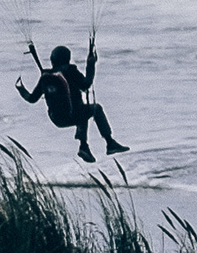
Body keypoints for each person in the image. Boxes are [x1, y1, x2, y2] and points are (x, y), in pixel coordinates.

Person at [17, 34, 126, 162]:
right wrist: (91, 64)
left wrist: (21, 89)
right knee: (95, 108)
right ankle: (109, 143)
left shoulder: (46, 77)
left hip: (56, 118)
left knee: (82, 110)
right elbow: (86, 85)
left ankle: (84, 147)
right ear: (68, 59)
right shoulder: (71, 72)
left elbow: (32, 99)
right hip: (71, 114)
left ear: (52, 60)